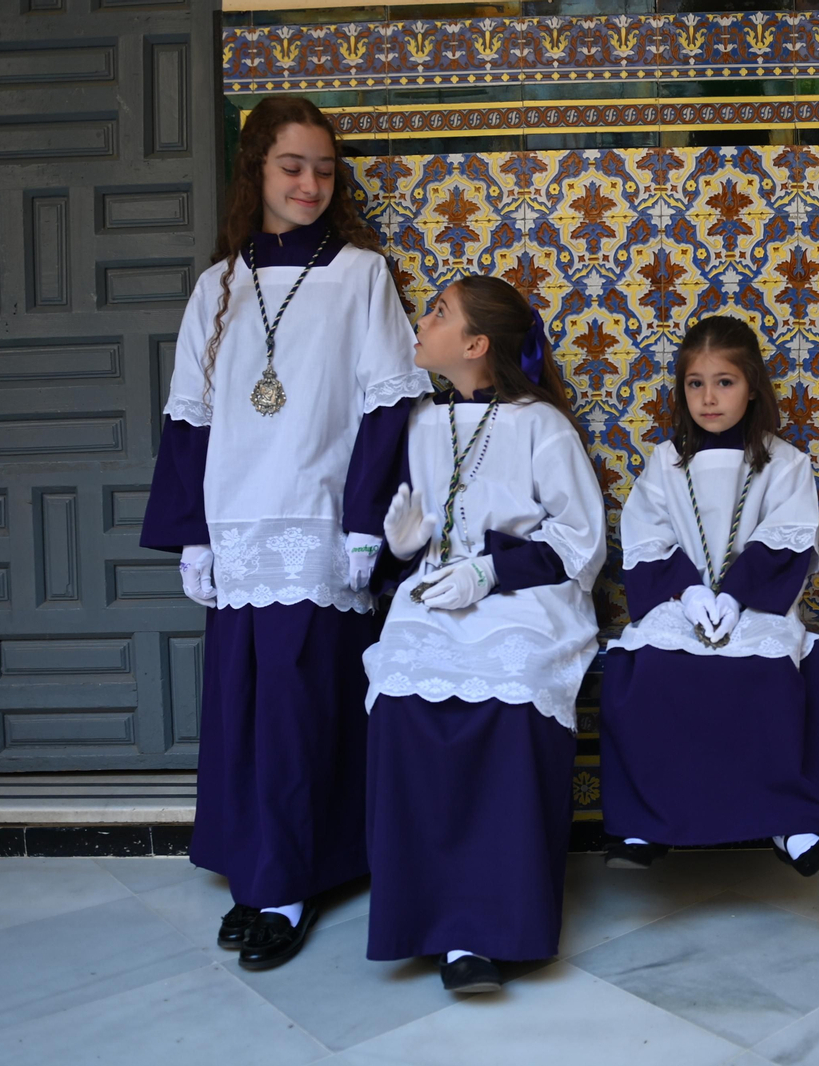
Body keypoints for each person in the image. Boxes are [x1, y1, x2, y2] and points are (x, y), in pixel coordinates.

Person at [139, 95, 429, 970]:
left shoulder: (360, 276)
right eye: (290, 166)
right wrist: (192, 533)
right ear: (256, 169)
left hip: (315, 529)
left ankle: (291, 883)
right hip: (237, 527)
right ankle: (254, 872)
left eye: (323, 169)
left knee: (303, 715)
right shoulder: (217, 285)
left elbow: (386, 407)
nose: (309, 183)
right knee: (241, 715)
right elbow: (189, 417)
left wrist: (361, 526)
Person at [361, 275, 605, 994]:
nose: (422, 321)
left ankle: (489, 928)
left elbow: (579, 542)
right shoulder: (420, 425)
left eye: (438, 314)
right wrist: (403, 552)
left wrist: (491, 573)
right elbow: (414, 529)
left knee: (516, 688)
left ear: (475, 345)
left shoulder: (540, 425)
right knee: (401, 691)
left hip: (527, 599)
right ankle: (421, 916)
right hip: (434, 597)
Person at [598, 315, 819, 875]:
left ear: (752, 385)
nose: (708, 398)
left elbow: (784, 538)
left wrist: (735, 597)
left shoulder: (785, 464)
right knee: (652, 671)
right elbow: (648, 537)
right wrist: (688, 595)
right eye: (695, 383)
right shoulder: (666, 464)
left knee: (763, 673)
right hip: (678, 604)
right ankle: (648, 823)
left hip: (757, 604)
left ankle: (788, 823)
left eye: (724, 382)